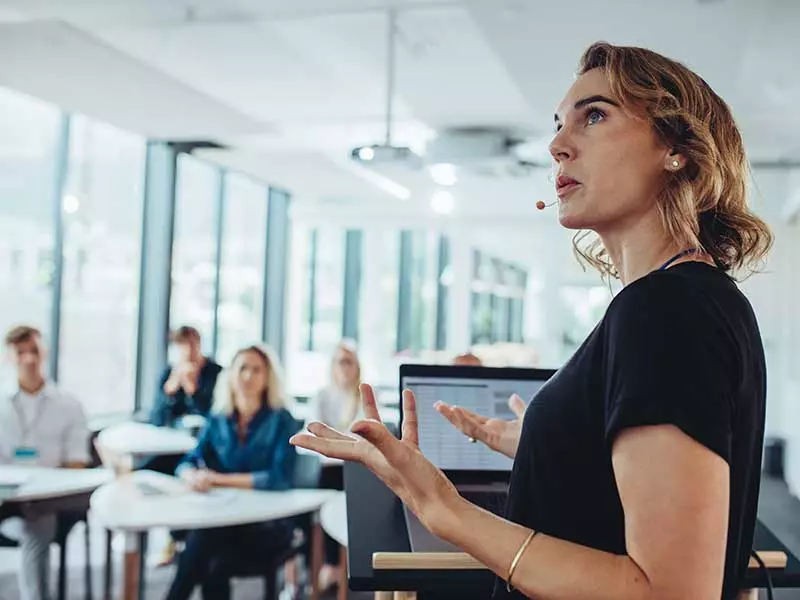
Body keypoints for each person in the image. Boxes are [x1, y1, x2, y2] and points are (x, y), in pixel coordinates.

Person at [291, 41, 772, 600]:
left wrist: (442, 507)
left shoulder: (665, 311)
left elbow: (668, 592)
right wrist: (552, 446)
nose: (557, 145)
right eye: (559, 124)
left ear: (676, 148)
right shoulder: (692, 299)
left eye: (595, 116)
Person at [165, 344, 299, 600]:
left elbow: (279, 478)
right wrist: (192, 476)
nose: (248, 376)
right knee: (210, 556)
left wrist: (218, 480)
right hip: (225, 519)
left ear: (267, 377)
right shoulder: (218, 418)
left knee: (203, 542)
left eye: (257, 370)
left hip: (267, 523)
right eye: (243, 368)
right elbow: (187, 462)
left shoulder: (282, 420)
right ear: (231, 375)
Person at [0, 325, 90, 600]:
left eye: (34, 351)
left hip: (46, 500)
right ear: (8, 357)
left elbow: (76, 463)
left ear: (45, 353)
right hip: (5, 494)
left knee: (36, 526)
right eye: (20, 352)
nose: (28, 359)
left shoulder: (69, 405)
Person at [308, 342, 362, 591]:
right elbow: (315, 433)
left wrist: (336, 440)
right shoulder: (321, 396)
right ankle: (331, 564)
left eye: (349, 362)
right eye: (340, 362)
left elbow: (365, 437)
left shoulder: (363, 397)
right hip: (330, 468)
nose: (345, 367)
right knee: (328, 494)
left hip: (355, 466)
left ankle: (344, 565)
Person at [150, 325, 222, 429]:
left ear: (199, 344)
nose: (188, 350)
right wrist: (169, 392)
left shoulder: (217, 373)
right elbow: (156, 419)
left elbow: (217, 416)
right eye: (182, 345)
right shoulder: (169, 373)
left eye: (192, 344)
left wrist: (193, 391)